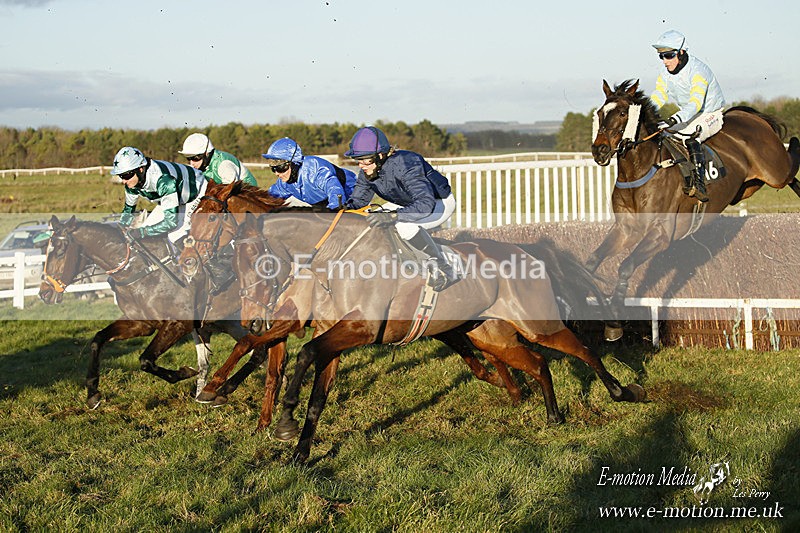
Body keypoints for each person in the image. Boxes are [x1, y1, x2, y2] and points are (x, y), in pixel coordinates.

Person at [343, 126, 457, 291]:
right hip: (407, 203)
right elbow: (358, 203)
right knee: (371, 216)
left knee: (403, 225)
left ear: (380, 155)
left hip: (438, 203)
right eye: (357, 160)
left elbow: (425, 203)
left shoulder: (406, 163)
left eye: (365, 160)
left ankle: (444, 268)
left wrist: (393, 216)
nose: (361, 165)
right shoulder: (367, 171)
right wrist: (337, 212)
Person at [650, 30, 725, 203]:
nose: (665, 61)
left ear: (681, 53)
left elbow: (695, 103)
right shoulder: (664, 74)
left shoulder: (699, 71)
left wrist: (675, 118)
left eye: (669, 55)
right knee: (662, 135)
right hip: (689, 115)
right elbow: (659, 96)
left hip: (710, 113)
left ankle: (699, 185)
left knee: (691, 138)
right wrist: (644, 112)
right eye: (661, 57)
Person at [111, 146, 206, 246]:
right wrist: (120, 229)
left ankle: (194, 260)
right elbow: (128, 211)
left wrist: (142, 232)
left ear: (140, 169)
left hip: (196, 193)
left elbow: (171, 223)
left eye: (126, 175)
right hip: (174, 197)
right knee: (146, 228)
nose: (124, 181)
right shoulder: (131, 183)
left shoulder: (163, 180)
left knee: (175, 235)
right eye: (121, 176)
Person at [263, 137, 356, 210]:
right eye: (273, 169)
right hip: (323, 203)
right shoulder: (284, 183)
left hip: (350, 192)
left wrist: (331, 212)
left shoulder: (315, 169)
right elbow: (266, 199)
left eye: (280, 168)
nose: (277, 173)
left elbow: (335, 192)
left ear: (294, 163)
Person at [178, 132, 258, 187]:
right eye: (189, 159)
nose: (192, 163)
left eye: (195, 158)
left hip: (247, 195)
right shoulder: (202, 165)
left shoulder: (223, 164)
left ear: (207, 154)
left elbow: (229, 191)